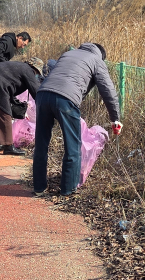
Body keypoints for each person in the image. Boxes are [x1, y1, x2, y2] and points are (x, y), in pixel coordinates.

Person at [32, 43, 122, 197]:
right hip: (65, 99)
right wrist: (115, 119)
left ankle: (39, 187)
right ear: (101, 55)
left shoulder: (68, 54)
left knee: (41, 143)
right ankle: (68, 189)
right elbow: (108, 90)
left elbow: (53, 67)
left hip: (42, 94)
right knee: (73, 146)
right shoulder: (96, 60)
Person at [0, 58, 43, 155]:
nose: (36, 75)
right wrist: (44, 105)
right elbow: (36, 91)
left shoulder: (19, 67)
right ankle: (8, 146)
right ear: (34, 68)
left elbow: (10, 83)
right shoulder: (28, 70)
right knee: (5, 115)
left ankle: (1, 143)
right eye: (37, 72)